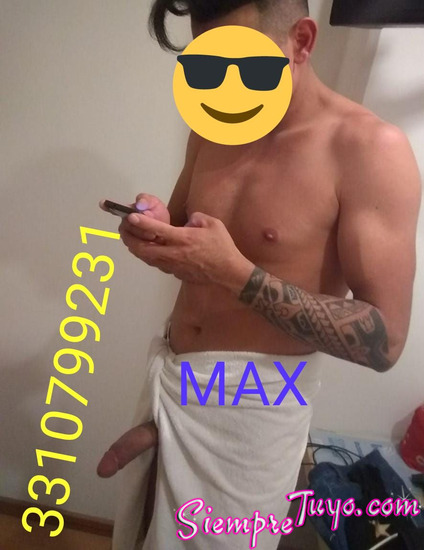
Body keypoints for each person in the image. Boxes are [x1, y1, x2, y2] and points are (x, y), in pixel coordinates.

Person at [98, 1, 421, 548]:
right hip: (173, 376)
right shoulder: (214, 124)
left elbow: (385, 340)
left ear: (301, 41)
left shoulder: (369, 151)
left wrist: (237, 275)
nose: (223, 86)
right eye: (205, 65)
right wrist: (156, 225)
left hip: (254, 413)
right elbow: (184, 224)